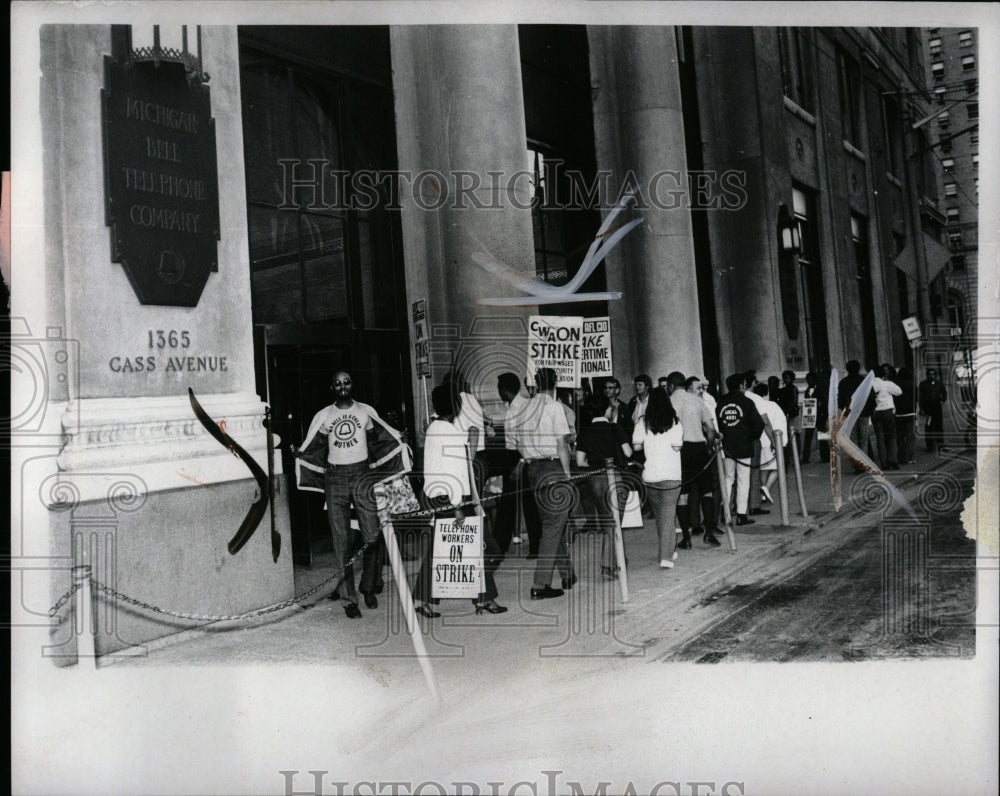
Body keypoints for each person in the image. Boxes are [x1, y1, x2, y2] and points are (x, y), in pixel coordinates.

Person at [297, 370, 383, 619]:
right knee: (341, 541)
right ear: (331, 387)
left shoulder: (365, 411)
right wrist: (301, 453)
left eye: (347, 381)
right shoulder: (324, 416)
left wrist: (397, 438)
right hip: (335, 478)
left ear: (352, 384)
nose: (343, 386)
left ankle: (368, 586)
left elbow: (377, 439)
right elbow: (316, 447)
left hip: (362, 475)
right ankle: (349, 599)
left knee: (372, 535)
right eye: (337, 383)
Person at [422, 382, 507, 616]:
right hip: (455, 499)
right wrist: (459, 508)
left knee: (445, 551)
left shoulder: (434, 428)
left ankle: (432, 601)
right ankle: (484, 599)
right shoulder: (448, 432)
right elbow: (455, 472)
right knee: (487, 548)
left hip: (440, 498)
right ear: (457, 406)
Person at [518, 367, 576, 599]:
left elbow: (519, 444)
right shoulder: (554, 407)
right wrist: (567, 474)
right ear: (555, 383)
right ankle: (540, 585)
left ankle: (567, 573)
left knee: (552, 523)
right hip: (553, 468)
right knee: (553, 527)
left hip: (533, 469)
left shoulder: (523, 409)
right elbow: (562, 444)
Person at [575, 392, 634, 579]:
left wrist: (595, 463)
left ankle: (620, 558)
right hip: (614, 476)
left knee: (607, 519)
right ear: (606, 409)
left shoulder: (585, 431)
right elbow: (628, 453)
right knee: (615, 522)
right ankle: (608, 565)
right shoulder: (614, 428)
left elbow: (580, 461)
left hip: (594, 479)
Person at [666, 372, 721, 548]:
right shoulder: (697, 401)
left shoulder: (668, 402)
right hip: (699, 448)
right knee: (707, 491)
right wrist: (709, 446)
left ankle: (686, 539)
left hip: (679, 451)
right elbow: (711, 430)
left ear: (670, 386)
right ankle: (709, 533)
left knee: (683, 495)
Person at [632, 388, 685, 568]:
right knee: (668, 516)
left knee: (661, 516)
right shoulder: (675, 422)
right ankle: (666, 557)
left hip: (650, 476)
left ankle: (670, 549)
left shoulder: (642, 422)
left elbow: (637, 447)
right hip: (671, 474)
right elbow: (677, 447)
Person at [495, 372, 543, 556]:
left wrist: (521, 461)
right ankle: (500, 546)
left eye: (499, 389)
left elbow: (527, 437)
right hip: (510, 456)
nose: (499, 392)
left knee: (528, 503)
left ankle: (535, 546)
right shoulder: (509, 408)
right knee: (508, 503)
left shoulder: (524, 408)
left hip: (521, 456)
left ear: (505, 390)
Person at [717, 373, 766, 526]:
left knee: (728, 478)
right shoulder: (747, 402)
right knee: (743, 479)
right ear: (741, 386)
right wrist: (751, 437)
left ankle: (725, 513)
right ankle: (741, 515)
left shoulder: (721, 402)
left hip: (727, 446)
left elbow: (718, 423)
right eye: (744, 384)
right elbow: (759, 424)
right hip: (744, 445)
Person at [742, 370, 772, 516]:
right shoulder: (756, 399)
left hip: (735, 441)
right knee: (754, 472)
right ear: (753, 383)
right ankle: (754, 505)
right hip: (753, 441)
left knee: (737, 476)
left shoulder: (737, 398)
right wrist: (774, 442)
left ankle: (736, 505)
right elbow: (765, 422)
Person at [838, 360, 876, 472]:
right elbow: (871, 397)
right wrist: (871, 409)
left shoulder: (843, 382)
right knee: (864, 439)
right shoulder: (864, 380)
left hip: (850, 414)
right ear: (859, 368)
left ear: (847, 369)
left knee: (853, 440)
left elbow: (840, 400)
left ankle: (856, 465)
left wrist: (845, 409)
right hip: (864, 413)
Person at [752, 384, 786, 507]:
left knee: (763, 468)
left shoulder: (754, 404)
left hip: (760, 441)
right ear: (766, 393)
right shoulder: (771, 405)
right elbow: (778, 423)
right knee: (778, 468)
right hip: (772, 440)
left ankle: (763, 492)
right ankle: (766, 487)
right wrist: (780, 442)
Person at [871, 363, 902, 470]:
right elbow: (899, 392)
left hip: (875, 413)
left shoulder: (870, 385)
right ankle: (892, 460)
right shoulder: (887, 384)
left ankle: (883, 463)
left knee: (880, 438)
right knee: (892, 436)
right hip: (887, 412)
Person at [799, 371, 828, 464]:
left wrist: (821, 404)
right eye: (808, 380)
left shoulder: (820, 389)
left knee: (822, 437)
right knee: (808, 437)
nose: (809, 382)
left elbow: (825, 403)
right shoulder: (807, 391)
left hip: (820, 416)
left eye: (811, 380)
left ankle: (825, 457)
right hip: (810, 416)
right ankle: (805, 458)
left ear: (815, 380)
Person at [918, 368, 948, 452]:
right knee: (929, 426)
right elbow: (920, 397)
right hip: (928, 407)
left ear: (935, 375)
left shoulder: (939, 384)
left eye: (933, 374)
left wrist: (942, 400)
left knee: (939, 426)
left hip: (937, 407)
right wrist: (921, 408)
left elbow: (944, 393)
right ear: (927, 375)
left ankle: (941, 445)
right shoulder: (923, 384)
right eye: (930, 374)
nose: (931, 376)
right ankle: (930, 446)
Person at [894, 365, 917, 466]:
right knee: (910, 436)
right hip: (910, 412)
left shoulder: (896, 384)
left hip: (899, 414)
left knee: (900, 436)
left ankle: (900, 456)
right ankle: (909, 457)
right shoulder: (912, 384)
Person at [776, 370, 799, 460]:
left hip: (792, 415)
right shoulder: (782, 390)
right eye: (785, 378)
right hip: (785, 414)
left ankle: (795, 456)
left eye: (788, 378)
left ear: (792, 379)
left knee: (793, 434)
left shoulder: (793, 388)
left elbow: (794, 402)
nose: (786, 380)